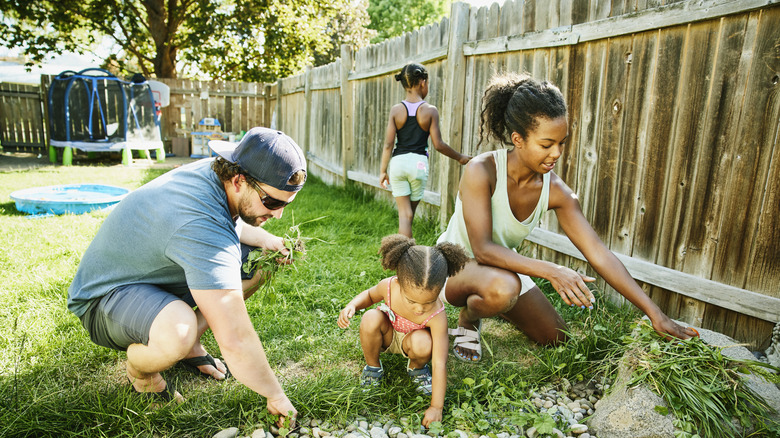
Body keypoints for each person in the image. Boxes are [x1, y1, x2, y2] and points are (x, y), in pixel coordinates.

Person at [437, 72, 699, 362]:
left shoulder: (557, 192)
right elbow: (482, 249)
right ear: (518, 139)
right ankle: (470, 318)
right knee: (504, 289)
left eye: (562, 143)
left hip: (501, 270)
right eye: (546, 144)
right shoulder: (481, 170)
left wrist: (655, 313)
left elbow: (599, 253)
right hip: (454, 266)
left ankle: (495, 301)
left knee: (557, 337)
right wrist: (552, 271)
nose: (556, 153)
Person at [67, 127, 305, 425]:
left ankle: (190, 345)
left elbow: (230, 222)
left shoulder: (219, 178)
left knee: (260, 263)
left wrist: (266, 239)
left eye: (286, 203)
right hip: (104, 298)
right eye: (272, 202)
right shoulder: (199, 224)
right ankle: (142, 373)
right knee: (177, 331)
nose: (279, 213)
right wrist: (275, 395)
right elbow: (235, 338)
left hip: (152, 272)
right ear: (239, 180)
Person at [337, 234, 469, 427]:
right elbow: (369, 295)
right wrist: (352, 306)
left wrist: (436, 407)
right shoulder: (389, 287)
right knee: (370, 317)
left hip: (413, 342)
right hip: (387, 335)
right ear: (398, 283)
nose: (419, 309)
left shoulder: (437, 316)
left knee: (424, 343)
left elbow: (440, 362)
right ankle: (373, 368)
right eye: (411, 301)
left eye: (428, 302)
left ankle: (417, 369)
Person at [379, 62, 471, 238]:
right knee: (409, 216)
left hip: (398, 164)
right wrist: (460, 157)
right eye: (427, 83)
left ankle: (401, 256)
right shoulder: (430, 111)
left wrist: (383, 171)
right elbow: (439, 145)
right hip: (418, 164)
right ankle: (407, 259)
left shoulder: (396, 110)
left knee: (404, 216)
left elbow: (388, 145)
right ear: (422, 82)